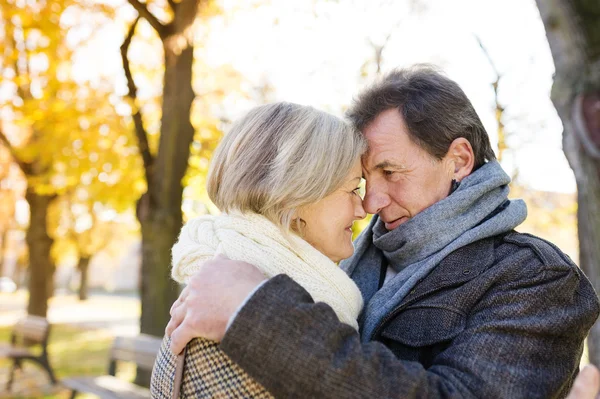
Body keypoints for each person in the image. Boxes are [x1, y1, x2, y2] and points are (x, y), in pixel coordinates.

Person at [167, 65, 600, 398]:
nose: (370, 203)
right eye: (362, 179)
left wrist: (253, 311)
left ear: (459, 160)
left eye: (390, 171)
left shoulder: (538, 278)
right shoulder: (338, 255)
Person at [151, 102, 368, 398]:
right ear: (296, 197)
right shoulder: (241, 344)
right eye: (354, 189)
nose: (362, 209)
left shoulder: (225, 291)